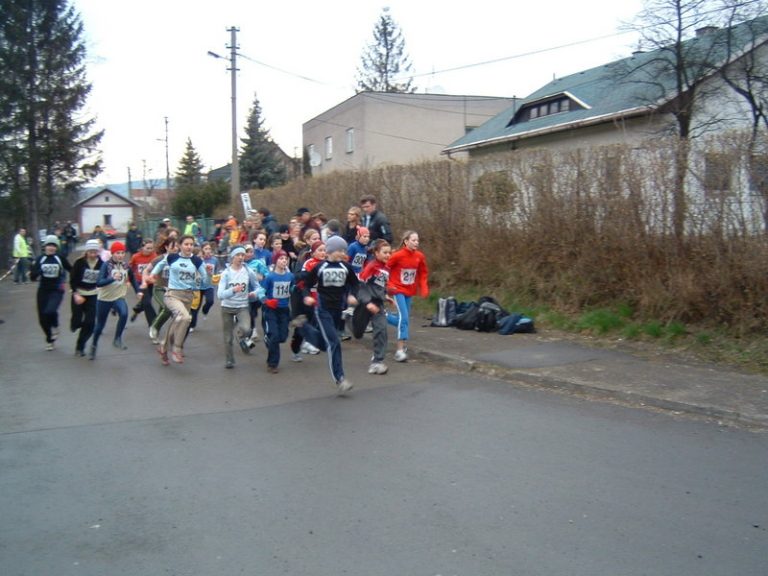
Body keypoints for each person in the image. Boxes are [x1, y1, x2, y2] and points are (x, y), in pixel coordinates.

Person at [300, 235, 359, 394]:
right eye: (341, 250)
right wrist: (306, 296)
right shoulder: (320, 268)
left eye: (344, 250)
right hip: (323, 310)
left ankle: (303, 327)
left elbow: (354, 283)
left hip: (338, 310)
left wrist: (353, 295)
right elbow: (306, 284)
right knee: (334, 342)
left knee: (325, 343)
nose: (343, 253)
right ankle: (340, 379)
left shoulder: (346, 267)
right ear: (332, 251)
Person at [151, 234, 208, 365]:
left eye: (191, 244)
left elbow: (204, 277)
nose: (189, 247)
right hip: (173, 294)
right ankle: (176, 349)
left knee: (179, 320)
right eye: (186, 244)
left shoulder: (196, 261)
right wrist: (153, 274)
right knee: (186, 317)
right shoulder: (172, 257)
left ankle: (163, 347)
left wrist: (203, 279)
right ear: (180, 246)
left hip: (188, 296)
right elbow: (160, 265)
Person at [89, 241, 141, 360]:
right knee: (100, 325)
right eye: (118, 253)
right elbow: (99, 282)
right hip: (104, 299)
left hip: (118, 297)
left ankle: (117, 338)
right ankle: (94, 345)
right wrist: (112, 279)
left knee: (124, 313)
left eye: (122, 253)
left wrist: (138, 291)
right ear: (112, 253)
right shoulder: (106, 265)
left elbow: (132, 279)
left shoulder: (125, 266)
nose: (120, 255)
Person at [386, 230, 429, 362]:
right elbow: (385, 268)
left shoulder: (419, 256)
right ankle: (400, 350)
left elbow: (423, 273)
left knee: (402, 319)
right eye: (413, 240)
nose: (416, 242)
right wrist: (388, 285)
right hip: (397, 290)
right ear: (406, 241)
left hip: (409, 291)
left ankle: (382, 315)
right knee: (404, 318)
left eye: (417, 240)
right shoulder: (397, 256)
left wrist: (424, 287)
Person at [217, 246, 262, 369]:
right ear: (232, 257)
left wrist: (255, 293)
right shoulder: (226, 273)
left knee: (247, 329)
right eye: (238, 255)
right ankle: (229, 360)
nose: (241, 257)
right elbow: (220, 295)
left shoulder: (248, 271)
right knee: (227, 337)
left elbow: (258, 287)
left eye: (243, 255)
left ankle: (240, 336)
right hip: (227, 307)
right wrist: (232, 290)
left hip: (242, 306)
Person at [30, 235, 72, 350]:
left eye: (53, 245)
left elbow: (71, 269)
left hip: (57, 289)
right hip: (43, 290)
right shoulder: (40, 259)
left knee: (50, 310)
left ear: (56, 247)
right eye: (49, 245)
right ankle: (49, 339)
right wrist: (38, 270)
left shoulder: (60, 258)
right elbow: (32, 277)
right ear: (45, 247)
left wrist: (75, 283)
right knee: (42, 318)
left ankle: (55, 325)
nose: (51, 248)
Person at [357, 239, 392, 374]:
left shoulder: (386, 268)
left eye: (389, 253)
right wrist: (367, 302)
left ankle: (377, 361)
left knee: (381, 329)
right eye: (384, 253)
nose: (387, 255)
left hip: (377, 304)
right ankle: (348, 316)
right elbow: (361, 286)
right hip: (365, 303)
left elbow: (379, 286)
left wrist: (385, 296)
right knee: (358, 333)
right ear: (376, 253)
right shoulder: (371, 266)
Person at [260, 250, 295, 373]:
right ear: (275, 261)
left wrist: (296, 288)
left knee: (283, 337)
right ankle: (272, 364)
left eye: (286, 259)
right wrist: (266, 301)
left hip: (284, 310)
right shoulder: (270, 277)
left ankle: (269, 339)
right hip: (271, 310)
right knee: (274, 336)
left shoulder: (290, 276)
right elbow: (260, 292)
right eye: (281, 259)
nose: (284, 261)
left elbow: (292, 288)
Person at [70, 239, 102, 356]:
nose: (93, 254)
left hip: (93, 295)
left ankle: (80, 347)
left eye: (95, 252)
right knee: (77, 320)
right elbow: (73, 279)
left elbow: (103, 279)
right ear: (86, 252)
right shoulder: (79, 263)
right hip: (79, 293)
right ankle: (74, 324)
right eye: (90, 252)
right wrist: (75, 293)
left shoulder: (101, 263)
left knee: (90, 323)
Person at [128, 238, 157, 327]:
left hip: (150, 283)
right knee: (147, 303)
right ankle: (154, 323)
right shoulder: (135, 257)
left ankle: (137, 310)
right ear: (142, 247)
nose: (150, 250)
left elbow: (157, 269)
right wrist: (128, 281)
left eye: (151, 248)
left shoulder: (154, 256)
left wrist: (156, 279)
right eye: (148, 248)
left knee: (145, 302)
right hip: (140, 283)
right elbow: (129, 269)